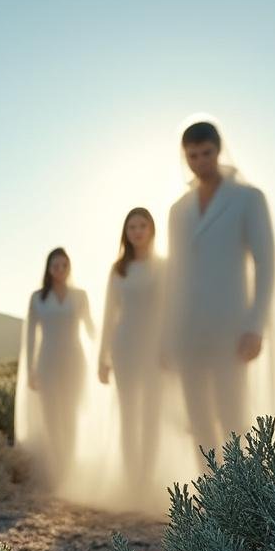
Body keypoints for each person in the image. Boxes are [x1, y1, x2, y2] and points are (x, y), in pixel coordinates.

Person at [162, 119, 275, 454]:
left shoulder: (249, 198)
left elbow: (266, 264)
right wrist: (168, 335)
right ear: (184, 157)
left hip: (232, 328)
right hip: (189, 330)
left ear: (218, 151)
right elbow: (174, 278)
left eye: (206, 153)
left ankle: (239, 497)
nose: (200, 162)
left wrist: (254, 325)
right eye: (193, 156)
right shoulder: (177, 210)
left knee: (232, 414)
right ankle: (208, 495)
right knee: (198, 418)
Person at [15, 247, 96, 487]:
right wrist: (30, 369)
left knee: (70, 416)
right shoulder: (37, 297)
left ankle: (69, 471)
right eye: (55, 266)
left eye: (64, 266)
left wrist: (107, 351)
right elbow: (30, 337)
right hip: (47, 362)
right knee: (51, 418)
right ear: (48, 269)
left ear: (69, 268)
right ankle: (56, 471)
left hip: (75, 362)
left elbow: (91, 329)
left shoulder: (80, 296)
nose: (60, 270)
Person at [97, 208, 165, 488]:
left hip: (155, 348)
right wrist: (103, 357)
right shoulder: (118, 269)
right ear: (125, 232)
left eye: (142, 225)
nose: (137, 231)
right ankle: (131, 479)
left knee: (152, 413)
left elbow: (171, 309)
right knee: (128, 414)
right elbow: (109, 314)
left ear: (151, 229)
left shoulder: (164, 266)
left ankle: (146, 478)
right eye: (132, 226)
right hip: (124, 346)